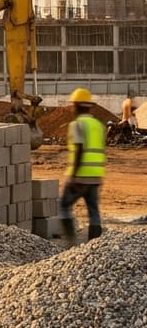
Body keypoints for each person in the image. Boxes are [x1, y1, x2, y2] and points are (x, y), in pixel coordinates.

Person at [59, 87, 107, 246]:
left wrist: (73, 175)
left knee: (63, 206)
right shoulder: (98, 125)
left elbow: (79, 149)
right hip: (96, 175)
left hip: (80, 176)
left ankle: (71, 243)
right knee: (93, 211)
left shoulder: (77, 125)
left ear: (77, 105)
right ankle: (94, 246)